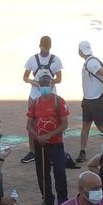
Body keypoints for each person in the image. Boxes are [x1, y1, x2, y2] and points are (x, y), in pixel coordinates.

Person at [27, 74, 71, 205]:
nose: (44, 87)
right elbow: (29, 125)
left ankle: (63, 200)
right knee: (42, 172)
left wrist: (49, 135)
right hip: (40, 143)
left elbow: (65, 124)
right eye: (42, 84)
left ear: (51, 85)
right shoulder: (35, 103)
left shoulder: (59, 101)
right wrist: (37, 137)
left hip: (56, 142)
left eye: (47, 84)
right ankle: (47, 199)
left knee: (59, 171)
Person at [21, 36, 64, 164]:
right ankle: (32, 151)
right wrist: (32, 82)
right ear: (39, 46)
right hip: (34, 95)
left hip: (51, 95)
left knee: (52, 121)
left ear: (50, 47)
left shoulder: (56, 60)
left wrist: (48, 82)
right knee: (32, 122)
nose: (45, 50)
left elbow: (59, 79)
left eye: (47, 48)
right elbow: (25, 77)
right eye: (43, 47)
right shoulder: (32, 59)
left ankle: (52, 150)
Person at [75, 40, 103, 165]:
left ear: (80, 51)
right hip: (88, 99)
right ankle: (82, 151)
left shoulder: (91, 63)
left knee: (101, 126)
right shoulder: (90, 61)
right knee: (86, 125)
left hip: (96, 99)